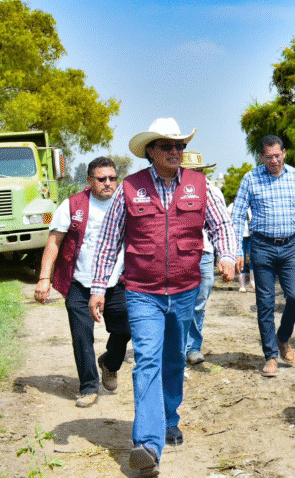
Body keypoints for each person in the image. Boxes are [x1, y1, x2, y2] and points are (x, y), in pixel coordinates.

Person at [89, 118, 236, 477]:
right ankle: (147, 444)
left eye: (180, 146)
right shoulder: (129, 189)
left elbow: (221, 225)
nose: (175, 152)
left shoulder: (202, 186)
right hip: (142, 291)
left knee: (173, 359)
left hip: (186, 289)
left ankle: (170, 418)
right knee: (148, 361)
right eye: (167, 146)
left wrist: (227, 255)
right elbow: (109, 241)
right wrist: (97, 287)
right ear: (151, 151)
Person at [34, 156, 131, 408]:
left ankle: (109, 364)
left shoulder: (125, 203)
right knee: (81, 336)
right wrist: (45, 278)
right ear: (90, 180)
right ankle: (89, 387)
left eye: (112, 178)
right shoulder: (72, 205)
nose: (108, 183)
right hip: (80, 282)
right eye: (101, 179)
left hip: (116, 281)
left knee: (125, 329)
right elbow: (54, 242)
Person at [230, 135, 295, 377]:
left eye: (278, 155)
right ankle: (270, 356)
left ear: (284, 153)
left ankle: (283, 337)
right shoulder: (251, 178)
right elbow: (237, 216)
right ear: (261, 156)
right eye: (269, 157)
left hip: (289, 246)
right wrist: (237, 251)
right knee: (264, 303)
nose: (274, 160)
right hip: (262, 246)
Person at [179, 151, 223, 366]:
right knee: (179, 302)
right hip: (180, 254)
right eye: (191, 171)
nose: (195, 174)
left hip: (205, 253)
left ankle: (193, 346)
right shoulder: (173, 192)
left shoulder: (212, 192)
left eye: (198, 171)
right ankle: (178, 347)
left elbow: (222, 225)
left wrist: (227, 256)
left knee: (199, 302)